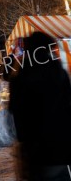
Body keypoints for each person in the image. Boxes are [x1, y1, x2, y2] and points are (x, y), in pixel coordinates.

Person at [10, 31, 71, 180]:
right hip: (60, 147)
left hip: (36, 151)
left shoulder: (21, 76)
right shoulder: (58, 72)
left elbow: (16, 113)